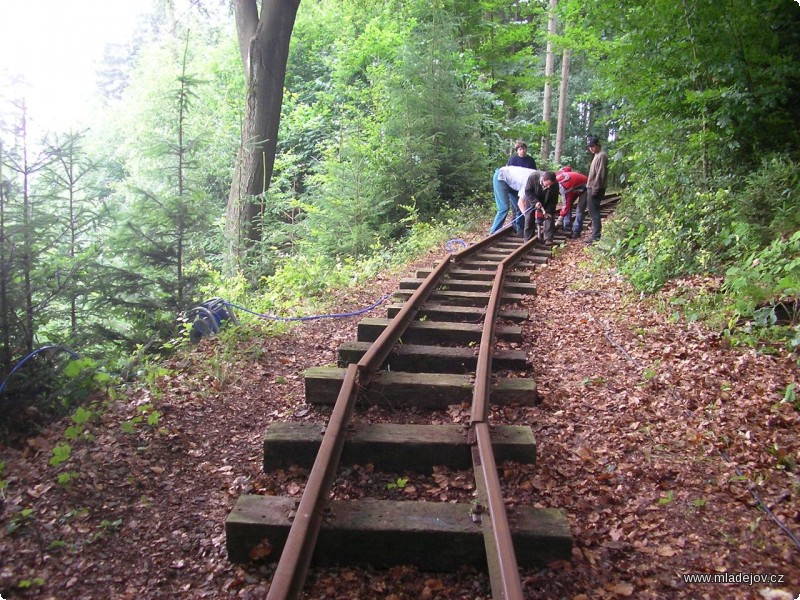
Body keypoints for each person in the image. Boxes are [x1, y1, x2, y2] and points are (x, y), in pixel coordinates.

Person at [490, 165, 536, 235]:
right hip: (501, 178)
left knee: (518, 208)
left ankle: (520, 230)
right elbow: (521, 203)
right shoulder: (528, 181)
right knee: (504, 208)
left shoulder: (538, 177)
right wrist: (528, 217)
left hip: (513, 182)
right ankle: (493, 232)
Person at [518, 170, 559, 244]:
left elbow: (553, 200)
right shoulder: (533, 177)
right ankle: (528, 239)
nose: (549, 186)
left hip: (547, 199)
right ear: (543, 179)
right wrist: (535, 202)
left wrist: (549, 211)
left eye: (551, 185)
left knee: (549, 217)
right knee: (529, 217)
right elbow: (528, 191)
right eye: (547, 184)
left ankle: (548, 239)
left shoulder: (555, 184)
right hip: (532, 198)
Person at [586, 136, 608, 244]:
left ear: (598, 145)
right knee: (592, 212)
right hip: (592, 186)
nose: (591, 149)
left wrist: (595, 188)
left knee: (594, 213)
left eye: (593, 146)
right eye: (590, 147)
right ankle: (595, 235)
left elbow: (600, 174)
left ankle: (596, 236)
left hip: (595, 187)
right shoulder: (596, 155)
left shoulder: (602, 156)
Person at [555, 167, 588, 239]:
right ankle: (567, 228)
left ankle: (576, 231)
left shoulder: (563, 187)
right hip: (573, 187)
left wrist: (559, 219)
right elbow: (567, 168)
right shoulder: (556, 177)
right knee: (568, 206)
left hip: (585, 187)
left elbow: (566, 204)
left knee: (580, 209)